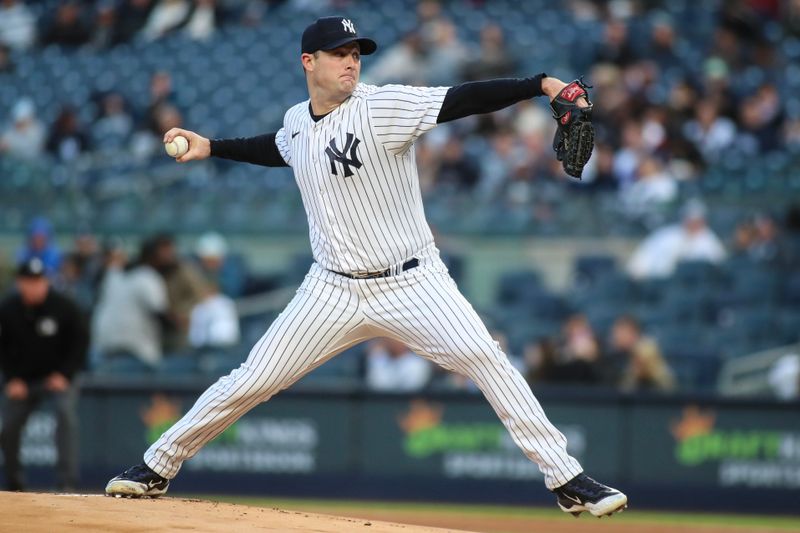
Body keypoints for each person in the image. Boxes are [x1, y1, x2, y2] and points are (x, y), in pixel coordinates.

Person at [105, 16, 627, 518]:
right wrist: (212, 146)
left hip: (413, 282)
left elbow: (462, 99)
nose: (351, 63)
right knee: (252, 379)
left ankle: (565, 479)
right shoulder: (295, 120)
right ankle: (157, 465)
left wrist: (540, 84)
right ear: (308, 61)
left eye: (355, 54)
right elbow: (279, 147)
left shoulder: (382, 106)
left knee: (486, 359)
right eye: (339, 54)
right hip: (330, 289)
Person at [0, 258, 88, 491]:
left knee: (65, 414)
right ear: (20, 283)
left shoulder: (64, 307)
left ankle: (66, 484)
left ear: (46, 282)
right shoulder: (8, 309)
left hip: (58, 378)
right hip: (24, 381)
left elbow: (80, 343)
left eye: (39, 281)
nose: (34, 286)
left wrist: (64, 374)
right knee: (9, 425)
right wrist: (11, 379)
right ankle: (14, 484)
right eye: (29, 281)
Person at [365, 338, 432, 392]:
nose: (392, 342)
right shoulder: (379, 358)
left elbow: (411, 390)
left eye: (396, 338)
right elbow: (375, 386)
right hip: (381, 403)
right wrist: (376, 356)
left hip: (407, 405)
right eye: (389, 338)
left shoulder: (418, 364)